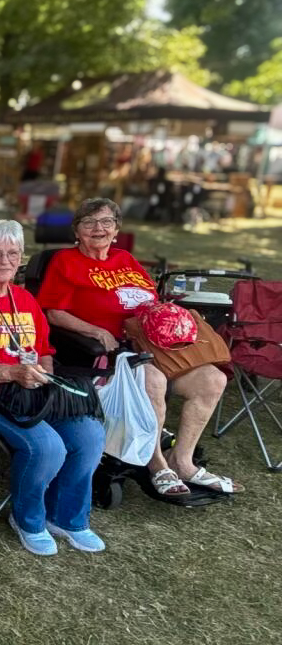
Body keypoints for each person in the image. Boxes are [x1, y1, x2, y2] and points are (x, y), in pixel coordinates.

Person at [36, 197, 240, 496]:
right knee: (152, 379)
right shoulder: (66, 262)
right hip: (110, 352)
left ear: (116, 229)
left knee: (213, 379)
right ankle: (156, 463)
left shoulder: (126, 260)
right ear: (76, 231)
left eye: (107, 222)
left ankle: (182, 460)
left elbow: (151, 301)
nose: (98, 228)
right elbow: (53, 312)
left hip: (155, 346)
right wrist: (94, 331)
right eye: (89, 222)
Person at [0, 220, 107, 555]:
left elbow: (44, 351)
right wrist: (11, 373)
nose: (4, 260)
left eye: (12, 253)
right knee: (47, 446)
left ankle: (68, 518)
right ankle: (28, 519)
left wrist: (44, 379)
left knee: (90, 435)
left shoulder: (25, 300)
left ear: (20, 258)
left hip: (31, 395)